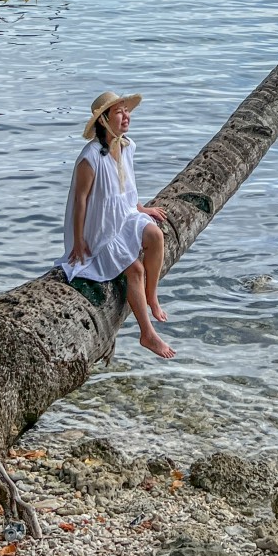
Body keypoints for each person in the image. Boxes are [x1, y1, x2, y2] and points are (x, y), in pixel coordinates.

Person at [58, 90, 174, 360]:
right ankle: (147, 334)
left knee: (155, 235)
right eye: (119, 112)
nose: (126, 116)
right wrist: (78, 241)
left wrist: (142, 208)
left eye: (126, 111)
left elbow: (125, 187)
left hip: (123, 215)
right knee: (134, 269)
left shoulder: (127, 146)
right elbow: (81, 202)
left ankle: (152, 297)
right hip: (98, 228)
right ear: (103, 120)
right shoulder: (90, 158)